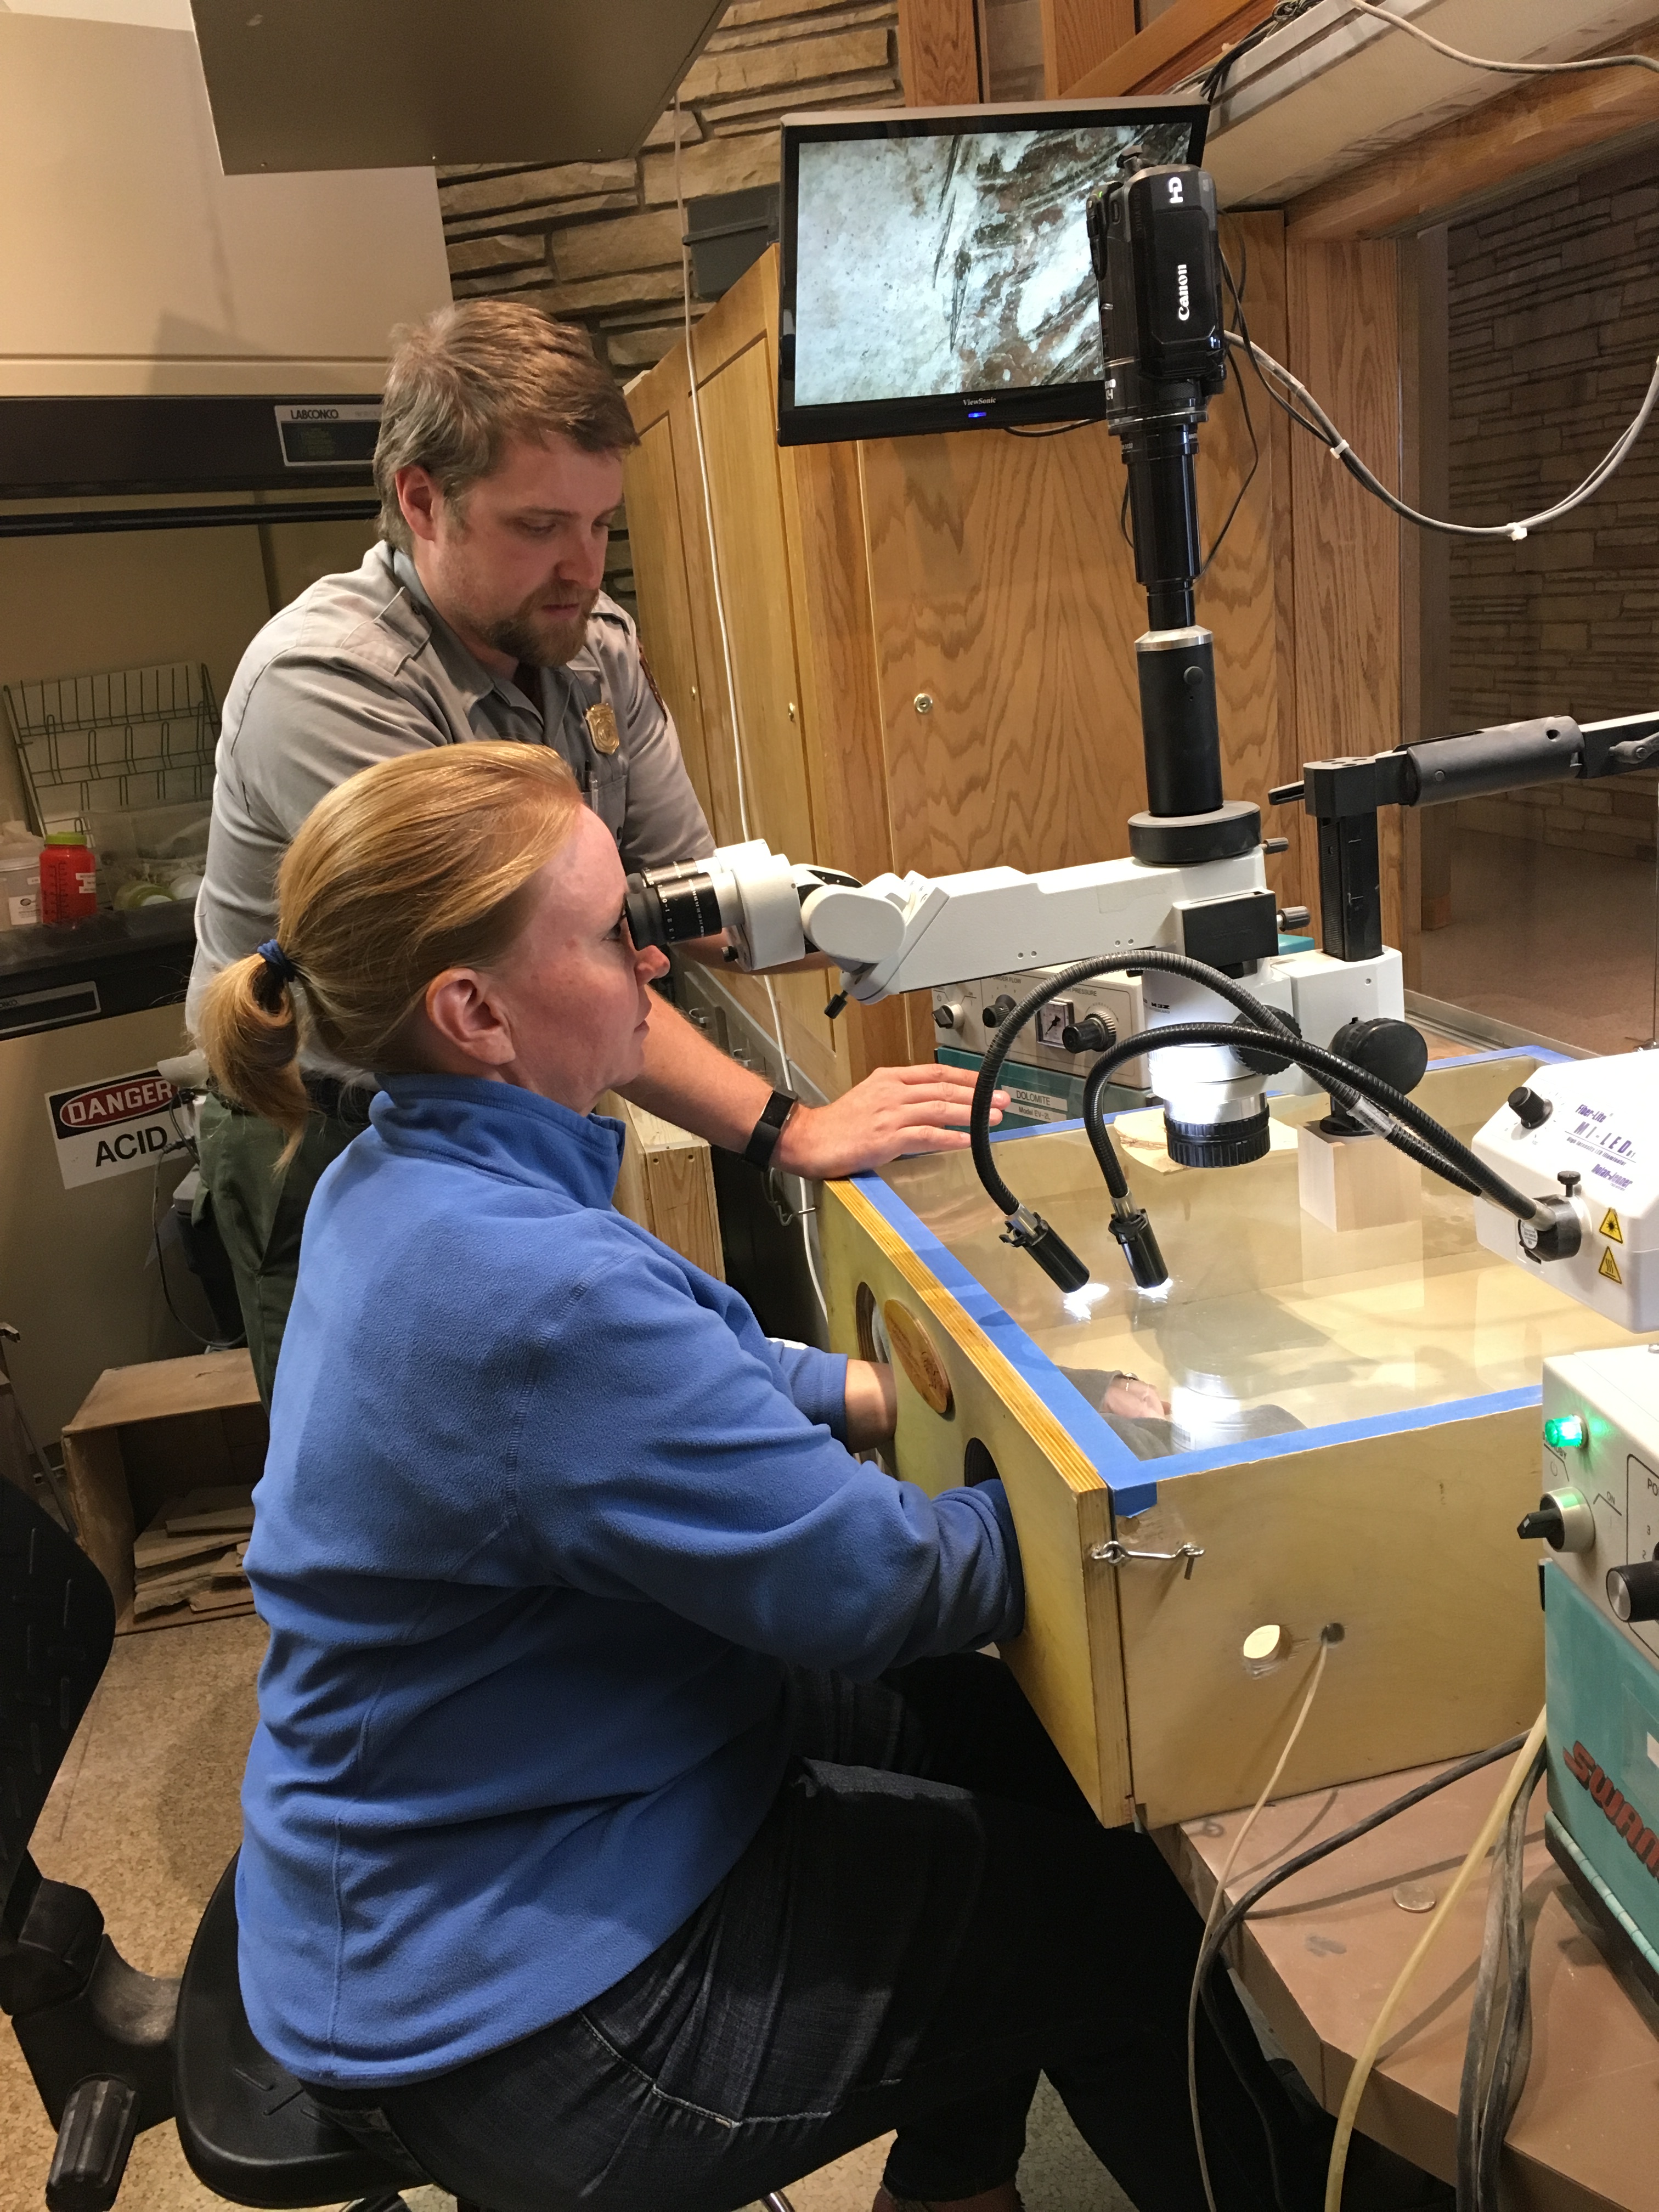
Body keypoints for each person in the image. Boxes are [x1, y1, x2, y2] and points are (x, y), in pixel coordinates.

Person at [196, 740, 1329, 2212]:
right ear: (471, 1011)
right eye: (613, 937)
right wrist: (1109, 1479)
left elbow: (662, 1380)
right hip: (526, 2025)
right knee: (1111, 1932)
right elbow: (876, 1583)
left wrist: (872, 1391)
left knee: (1001, 1747)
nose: (654, 971)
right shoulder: (514, 1287)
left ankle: (953, 2190)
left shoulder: (400, 1174)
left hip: (485, 1811)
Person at [187, 299, 1002, 1400]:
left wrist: (915, 931)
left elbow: (689, 903)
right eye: (539, 526)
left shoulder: (587, 646)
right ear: (422, 502)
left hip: (514, 1096)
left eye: (600, 524)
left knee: (569, 1415)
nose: (582, 565)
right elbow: (522, 990)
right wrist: (789, 1128)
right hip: (335, 1135)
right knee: (431, 1459)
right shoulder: (333, 687)